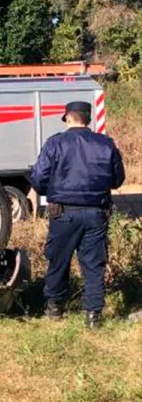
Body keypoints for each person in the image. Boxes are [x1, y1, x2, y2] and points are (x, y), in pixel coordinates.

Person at [30, 101, 125, 329]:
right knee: (93, 265)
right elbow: (117, 179)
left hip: (63, 213)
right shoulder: (106, 144)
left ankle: (55, 307)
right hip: (96, 213)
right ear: (88, 119)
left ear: (68, 118)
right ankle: (93, 315)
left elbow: (38, 178)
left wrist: (51, 189)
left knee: (58, 261)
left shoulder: (55, 143)